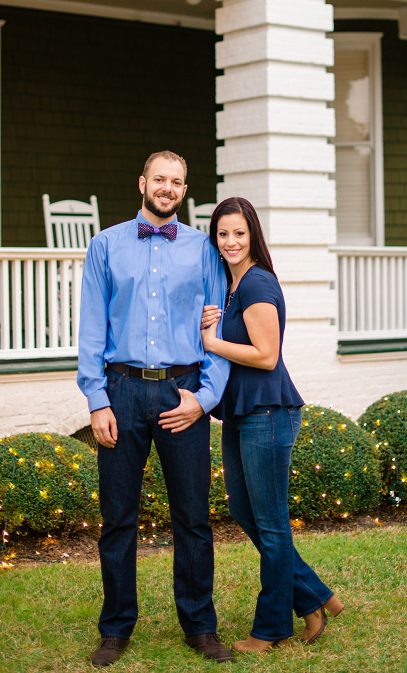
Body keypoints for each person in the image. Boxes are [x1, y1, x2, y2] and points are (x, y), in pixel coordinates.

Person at [77, 151, 234, 667]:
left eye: (177, 182)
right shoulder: (105, 246)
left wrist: (204, 398)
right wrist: (98, 401)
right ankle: (116, 627)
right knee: (117, 518)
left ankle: (200, 625)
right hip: (121, 393)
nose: (167, 188)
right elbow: (92, 329)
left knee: (192, 518)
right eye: (159, 179)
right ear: (142, 182)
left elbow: (218, 334)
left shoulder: (203, 250)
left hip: (181, 392)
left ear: (184, 192)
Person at [199, 197, 343, 654]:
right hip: (242, 412)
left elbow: (266, 356)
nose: (230, 241)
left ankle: (272, 627)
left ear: (253, 234)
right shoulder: (229, 283)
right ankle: (316, 595)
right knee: (245, 511)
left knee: (272, 523)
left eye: (239, 233)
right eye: (222, 233)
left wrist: (213, 342)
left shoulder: (258, 283)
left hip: (268, 413)